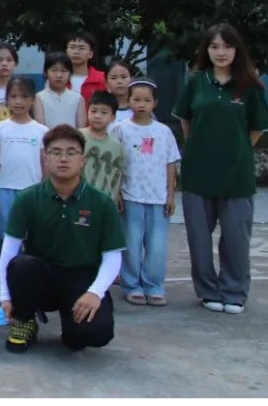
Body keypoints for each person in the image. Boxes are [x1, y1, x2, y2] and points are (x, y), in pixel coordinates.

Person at [0, 124, 124, 353]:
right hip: (42, 275)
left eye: (71, 152)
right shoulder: (28, 198)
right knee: (21, 265)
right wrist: (5, 296)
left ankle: (73, 326)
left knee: (93, 335)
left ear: (82, 159)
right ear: (45, 158)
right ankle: (25, 320)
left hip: (81, 278)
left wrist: (95, 292)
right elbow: (9, 249)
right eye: (56, 152)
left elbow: (113, 255)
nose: (63, 159)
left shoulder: (102, 203)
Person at [173, 23, 268, 315]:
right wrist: (199, 147)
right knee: (199, 239)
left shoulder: (249, 85)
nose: (221, 52)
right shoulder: (194, 81)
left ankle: (234, 291)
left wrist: (237, 149)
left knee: (237, 238)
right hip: (198, 172)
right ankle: (207, 291)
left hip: (237, 174)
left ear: (237, 50)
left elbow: (256, 128)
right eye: (214, 46)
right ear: (207, 50)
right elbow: (186, 121)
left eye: (227, 46)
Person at [114, 78, 178, 307]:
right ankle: (132, 285)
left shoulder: (164, 131)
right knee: (131, 245)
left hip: (158, 198)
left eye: (147, 100)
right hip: (130, 196)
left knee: (156, 246)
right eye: (137, 99)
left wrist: (170, 195)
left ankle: (154, 286)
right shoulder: (120, 129)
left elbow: (171, 164)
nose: (141, 104)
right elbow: (115, 163)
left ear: (155, 103)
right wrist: (116, 192)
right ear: (128, 100)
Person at [0, 77, 48, 265]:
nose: (18, 101)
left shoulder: (41, 131)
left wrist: (44, 191)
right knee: (9, 236)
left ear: (32, 99)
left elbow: (45, 165)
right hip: (5, 188)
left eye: (24, 96)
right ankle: (8, 272)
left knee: (31, 234)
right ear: (6, 99)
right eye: (13, 96)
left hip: (32, 190)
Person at [79, 91, 123, 202]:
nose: (97, 116)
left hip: (106, 201)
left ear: (113, 117)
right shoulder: (77, 137)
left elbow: (117, 175)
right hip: (80, 198)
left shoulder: (117, 146)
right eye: (93, 111)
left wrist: (116, 196)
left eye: (104, 112)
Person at [33, 51, 87, 129]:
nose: (59, 75)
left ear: (70, 73)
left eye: (64, 71)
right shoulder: (39, 97)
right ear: (45, 72)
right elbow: (40, 128)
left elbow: (81, 129)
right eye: (54, 70)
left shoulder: (78, 98)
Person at [66, 31, 107, 103]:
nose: (76, 52)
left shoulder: (102, 79)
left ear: (91, 54)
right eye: (72, 47)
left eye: (82, 48)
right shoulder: (58, 78)